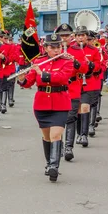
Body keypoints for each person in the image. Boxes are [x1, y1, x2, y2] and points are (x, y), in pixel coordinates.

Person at [17, 32, 73, 182]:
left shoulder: (66, 61)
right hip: (42, 103)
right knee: (47, 136)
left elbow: (62, 77)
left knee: (56, 135)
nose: (56, 50)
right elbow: (29, 82)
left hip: (60, 102)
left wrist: (41, 73)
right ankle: (49, 163)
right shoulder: (38, 61)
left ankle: (54, 166)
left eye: (58, 47)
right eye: (53, 47)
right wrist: (22, 79)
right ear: (46, 48)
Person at [56, 24, 88, 161]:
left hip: (73, 86)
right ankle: (58, 145)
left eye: (67, 36)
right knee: (58, 120)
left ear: (71, 37)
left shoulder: (77, 50)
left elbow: (85, 69)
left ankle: (68, 147)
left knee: (71, 117)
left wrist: (74, 61)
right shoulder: (53, 50)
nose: (64, 38)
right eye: (62, 36)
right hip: (57, 88)